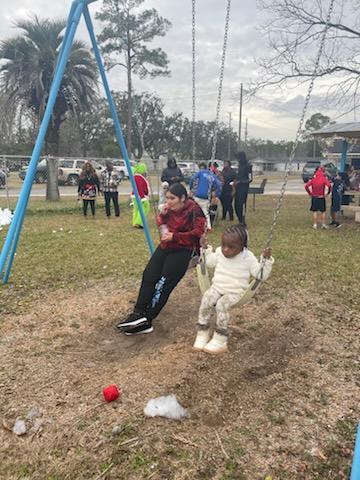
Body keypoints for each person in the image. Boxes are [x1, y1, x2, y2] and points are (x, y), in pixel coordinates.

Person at [117, 183, 206, 335]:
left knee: (163, 284)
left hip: (183, 250)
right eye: (167, 198)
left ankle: (147, 319)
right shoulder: (168, 209)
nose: (169, 201)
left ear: (183, 198)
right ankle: (138, 313)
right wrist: (163, 216)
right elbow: (161, 222)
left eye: (172, 198)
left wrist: (175, 236)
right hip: (166, 246)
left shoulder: (194, 210)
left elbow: (198, 232)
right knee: (149, 275)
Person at [193, 224, 274, 354]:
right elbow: (209, 262)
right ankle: (202, 331)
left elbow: (260, 275)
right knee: (206, 299)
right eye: (224, 244)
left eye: (231, 247)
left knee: (221, 304)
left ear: (243, 246)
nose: (226, 249)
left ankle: (220, 338)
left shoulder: (248, 258)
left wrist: (266, 260)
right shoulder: (219, 252)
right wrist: (205, 248)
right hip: (217, 287)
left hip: (235, 293)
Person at [189, 162, 222, 230]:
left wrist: (191, 188)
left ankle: (193, 225)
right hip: (206, 196)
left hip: (198, 194)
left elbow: (192, 179)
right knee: (206, 212)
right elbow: (219, 184)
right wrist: (216, 194)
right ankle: (208, 226)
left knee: (194, 210)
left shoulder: (200, 173)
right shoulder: (212, 175)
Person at [234, 151, 253, 225]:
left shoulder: (248, 166)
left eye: (238, 158)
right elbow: (239, 175)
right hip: (238, 188)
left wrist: (241, 182)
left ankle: (242, 221)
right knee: (236, 204)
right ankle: (239, 219)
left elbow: (250, 179)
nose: (237, 159)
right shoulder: (239, 166)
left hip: (244, 188)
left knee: (242, 204)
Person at [131, 163, 150, 228]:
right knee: (144, 208)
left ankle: (135, 222)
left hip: (136, 196)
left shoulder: (136, 177)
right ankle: (139, 222)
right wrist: (143, 198)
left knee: (136, 209)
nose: (145, 171)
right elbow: (139, 188)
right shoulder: (138, 177)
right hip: (140, 196)